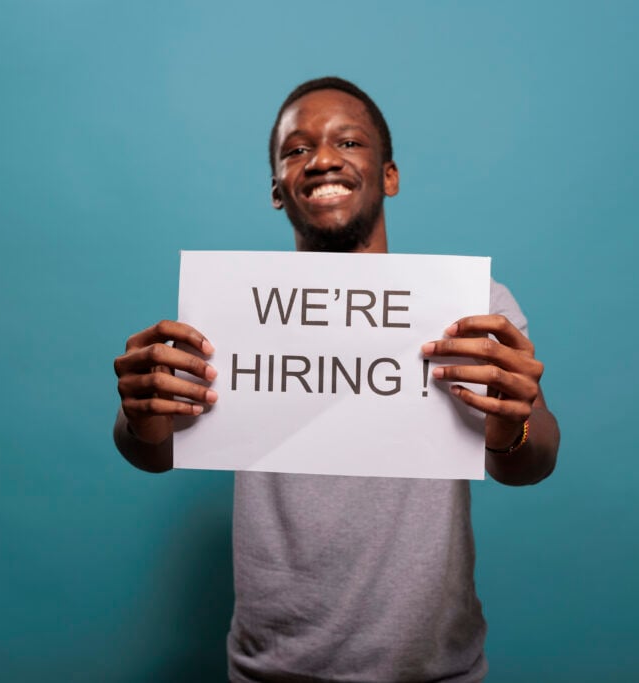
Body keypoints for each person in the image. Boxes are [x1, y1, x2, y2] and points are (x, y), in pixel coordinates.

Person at [113, 77, 560, 682]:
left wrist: (515, 420)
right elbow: (153, 451)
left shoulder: (471, 306)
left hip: (435, 669)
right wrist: (139, 416)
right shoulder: (230, 311)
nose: (322, 158)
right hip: (268, 669)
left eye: (348, 142)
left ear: (390, 176)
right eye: (296, 150)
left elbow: (529, 463)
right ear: (277, 188)